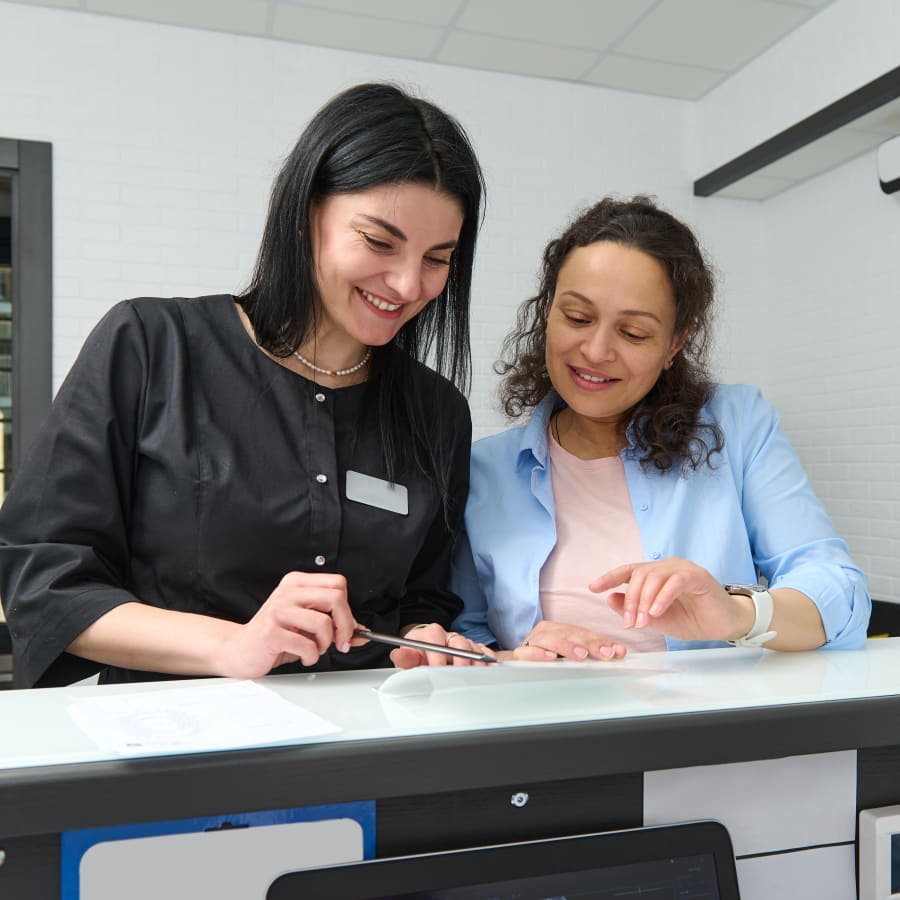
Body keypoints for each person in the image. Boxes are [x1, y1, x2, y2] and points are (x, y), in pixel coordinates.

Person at [0, 82, 491, 687]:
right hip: (177, 734)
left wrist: (425, 638)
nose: (409, 284)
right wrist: (230, 646)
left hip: (366, 736)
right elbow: (44, 580)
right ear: (305, 213)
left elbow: (425, 597)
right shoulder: (152, 345)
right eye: (378, 242)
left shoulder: (438, 411)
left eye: (437, 258)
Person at [451, 195, 870, 660]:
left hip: (712, 709)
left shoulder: (739, 424)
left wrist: (738, 614)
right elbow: (468, 637)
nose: (596, 350)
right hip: (545, 709)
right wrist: (516, 658)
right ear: (548, 311)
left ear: (675, 342)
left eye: (633, 333)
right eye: (577, 318)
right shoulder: (482, 469)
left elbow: (841, 593)